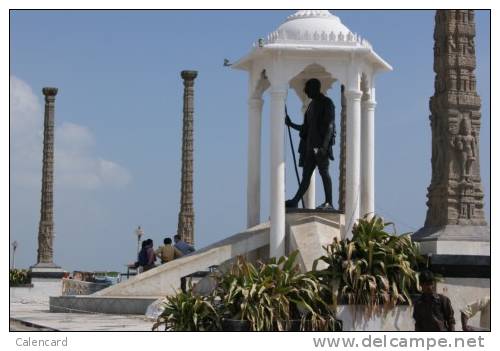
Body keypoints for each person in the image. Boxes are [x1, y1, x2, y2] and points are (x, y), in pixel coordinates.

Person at [285, 78, 335, 209]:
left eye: (307, 89)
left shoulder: (326, 103)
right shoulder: (311, 106)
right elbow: (305, 128)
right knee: (306, 176)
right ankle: (296, 200)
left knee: (324, 173)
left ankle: (329, 202)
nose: (305, 92)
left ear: (315, 88)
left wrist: (324, 147)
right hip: (310, 147)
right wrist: (291, 124)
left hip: (320, 147)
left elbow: (330, 126)